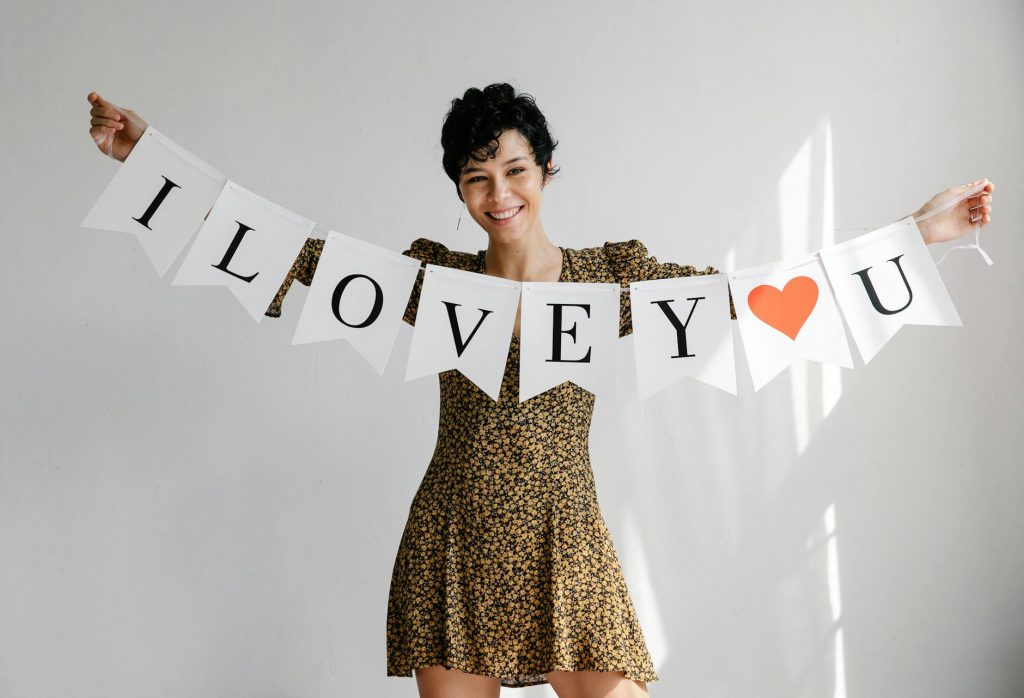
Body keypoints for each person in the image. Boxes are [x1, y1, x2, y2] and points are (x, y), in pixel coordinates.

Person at [86, 85, 995, 698]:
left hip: (567, 535)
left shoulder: (609, 277)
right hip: (455, 533)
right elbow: (299, 262)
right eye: (476, 177)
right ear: (460, 188)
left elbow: (742, 298)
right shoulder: (434, 277)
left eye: (515, 169)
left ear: (547, 170)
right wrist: (147, 162)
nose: (498, 192)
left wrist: (917, 233)